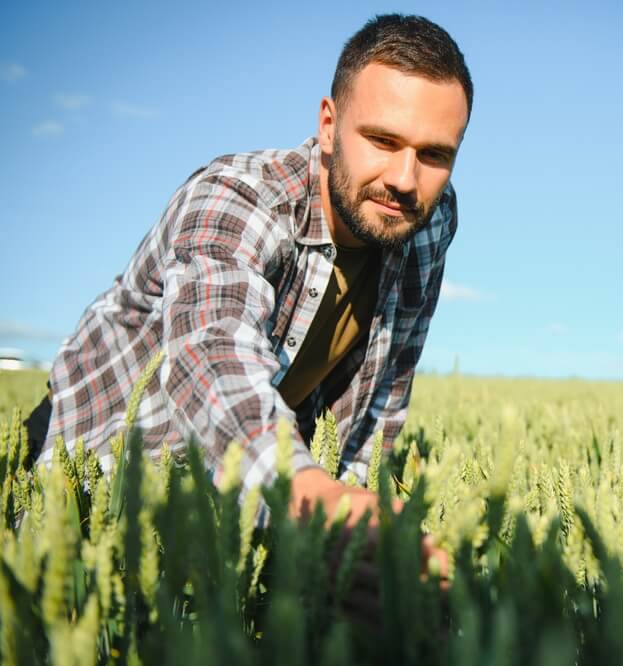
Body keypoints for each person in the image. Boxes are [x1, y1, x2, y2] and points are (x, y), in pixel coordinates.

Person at [24, 14, 470, 577]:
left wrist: (354, 538)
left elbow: (384, 392)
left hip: (245, 487)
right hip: (90, 459)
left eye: (434, 155)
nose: (406, 179)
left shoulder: (428, 221)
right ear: (328, 126)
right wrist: (313, 498)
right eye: (383, 140)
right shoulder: (239, 197)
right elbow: (212, 354)